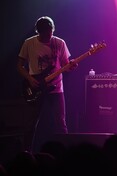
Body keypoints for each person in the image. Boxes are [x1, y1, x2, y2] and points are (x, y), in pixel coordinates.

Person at [17, 16, 77, 152]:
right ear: (38, 32)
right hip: (35, 87)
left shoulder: (59, 43)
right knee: (30, 124)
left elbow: (65, 65)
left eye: (50, 34)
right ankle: (27, 154)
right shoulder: (29, 43)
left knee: (61, 123)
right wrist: (30, 78)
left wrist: (71, 66)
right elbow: (19, 66)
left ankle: (65, 153)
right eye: (45, 35)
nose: (48, 38)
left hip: (56, 88)